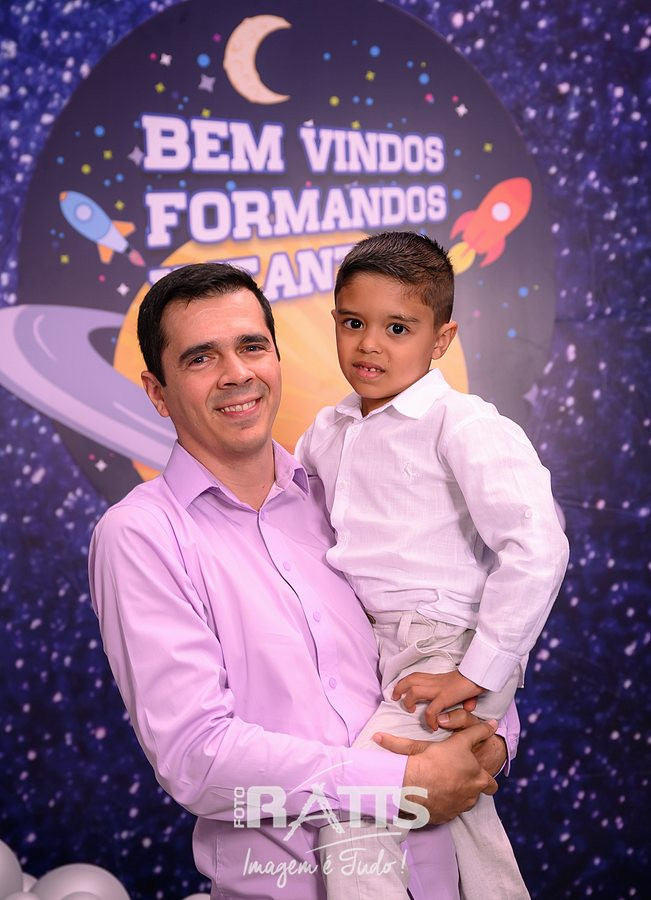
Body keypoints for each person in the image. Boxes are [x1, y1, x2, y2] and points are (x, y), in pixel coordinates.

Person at [88, 263, 519, 900]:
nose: (236, 374)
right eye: (201, 358)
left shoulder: (342, 493)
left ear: (276, 357)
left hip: (442, 880)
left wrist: (492, 741)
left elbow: (441, 631)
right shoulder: (141, 535)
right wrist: (399, 784)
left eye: (252, 346)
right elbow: (197, 756)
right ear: (157, 391)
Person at [295, 232, 570, 900]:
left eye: (398, 328)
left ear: (441, 339)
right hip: (378, 649)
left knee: (358, 810)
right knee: (463, 810)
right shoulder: (325, 432)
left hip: (445, 646)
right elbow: (289, 520)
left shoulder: (462, 423)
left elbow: (538, 546)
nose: (369, 345)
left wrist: (476, 672)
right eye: (353, 323)